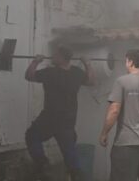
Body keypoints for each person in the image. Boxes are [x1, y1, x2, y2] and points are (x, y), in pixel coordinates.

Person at [25, 45, 95, 181]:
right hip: (67, 121)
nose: (52, 57)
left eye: (55, 55)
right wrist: (87, 63)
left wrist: (36, 61)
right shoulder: (76, 73)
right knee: (70, 156)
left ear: (62, 58)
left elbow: (29, 76)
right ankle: (76, 174)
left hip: (50, 118)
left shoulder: (50, 72)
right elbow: (91, 81)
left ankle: (42, 164)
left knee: (31, 136)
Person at [99, 48, 139, 181]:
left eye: (126, 60)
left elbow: (114, 110)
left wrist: (104, 133)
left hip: (126, 143)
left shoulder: (121, 82)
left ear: (130, 62)